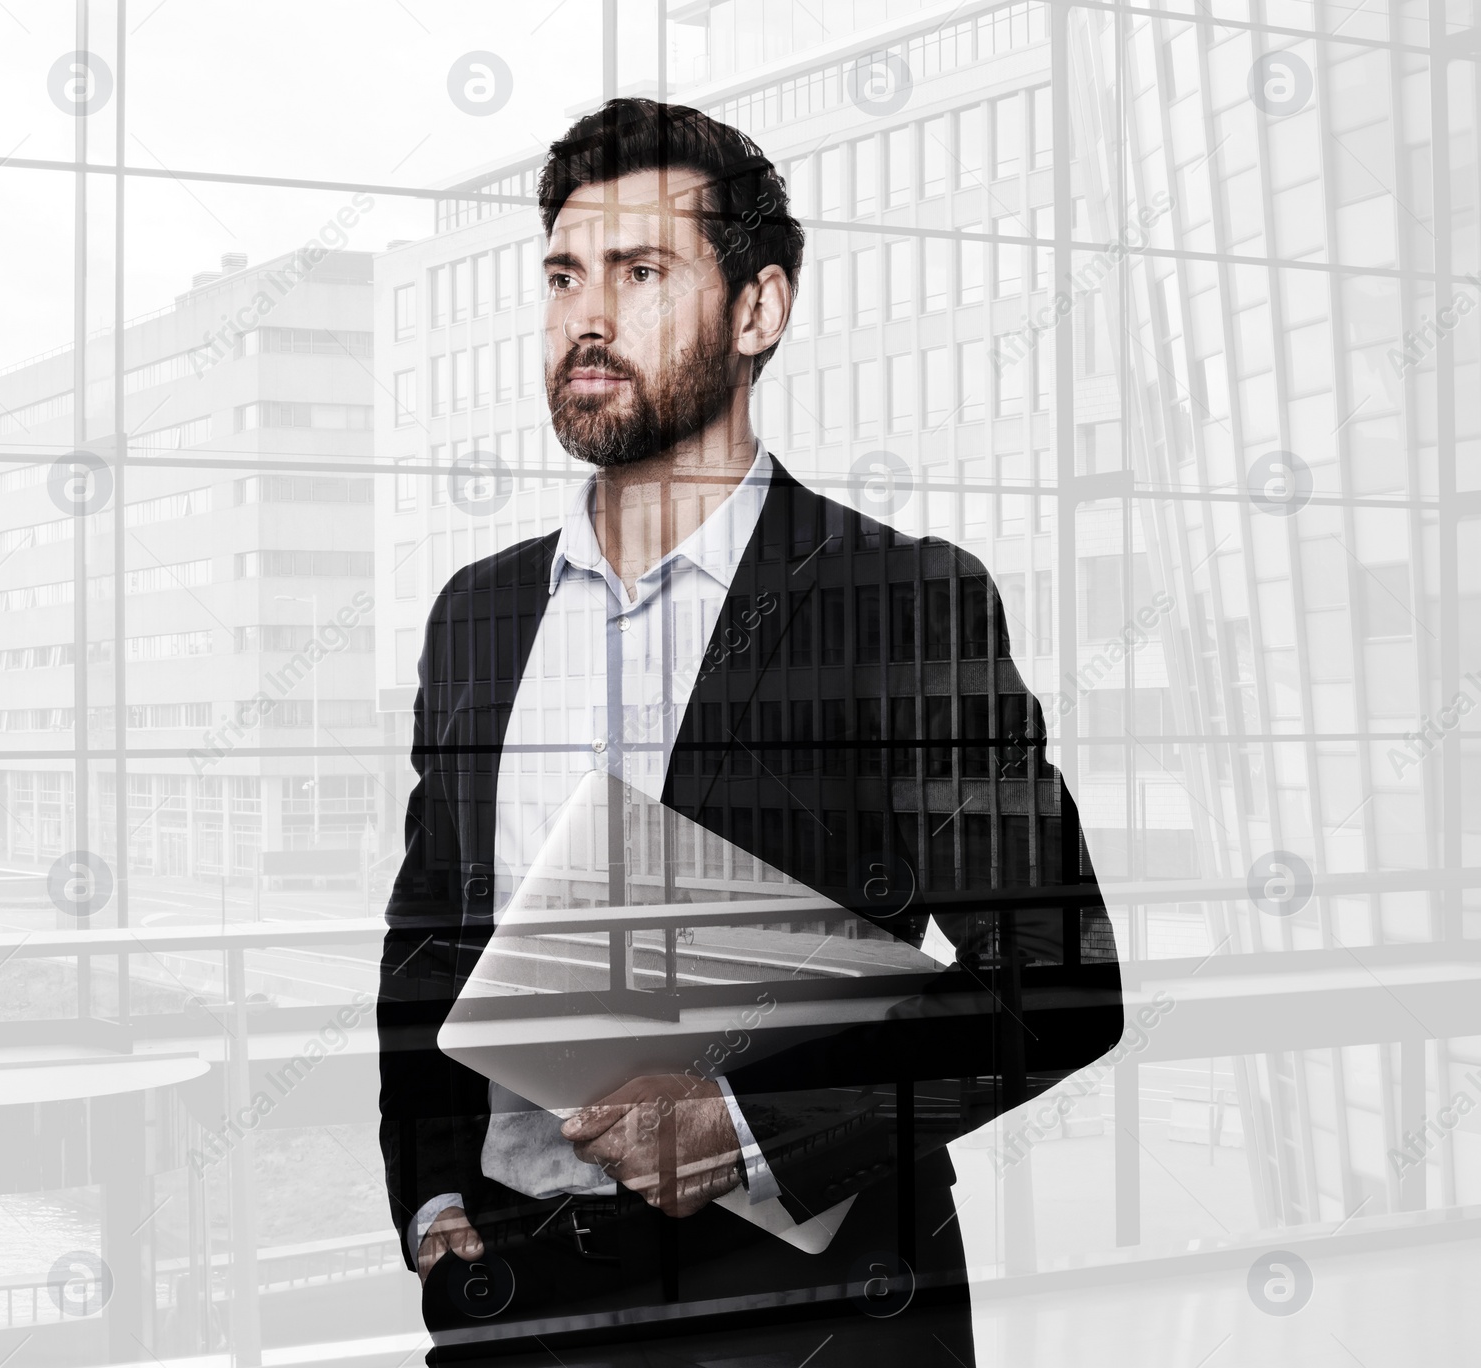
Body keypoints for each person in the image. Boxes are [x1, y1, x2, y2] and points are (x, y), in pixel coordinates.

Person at [379, 98, 1122, 1367]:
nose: (586, 316)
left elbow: (1054, 984)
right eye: (563, 274)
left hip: (804, 1311)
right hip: (517, 1296)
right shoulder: (478, 614)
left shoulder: (902, 602)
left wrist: (749, 1118)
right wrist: (436, 1190)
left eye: (641, 270)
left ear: (758, 310)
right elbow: (430, 927)